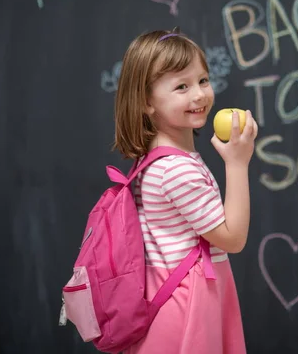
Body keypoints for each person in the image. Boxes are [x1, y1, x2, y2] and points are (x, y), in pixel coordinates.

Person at [112, 29, 258, 354]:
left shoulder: (158, 159)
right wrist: (237, 163)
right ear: (146, 102)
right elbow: (232, 239)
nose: (199, 95)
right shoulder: (178, 170)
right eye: (182, 86)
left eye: (203, 80)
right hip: (186, 305)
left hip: (171, 295)